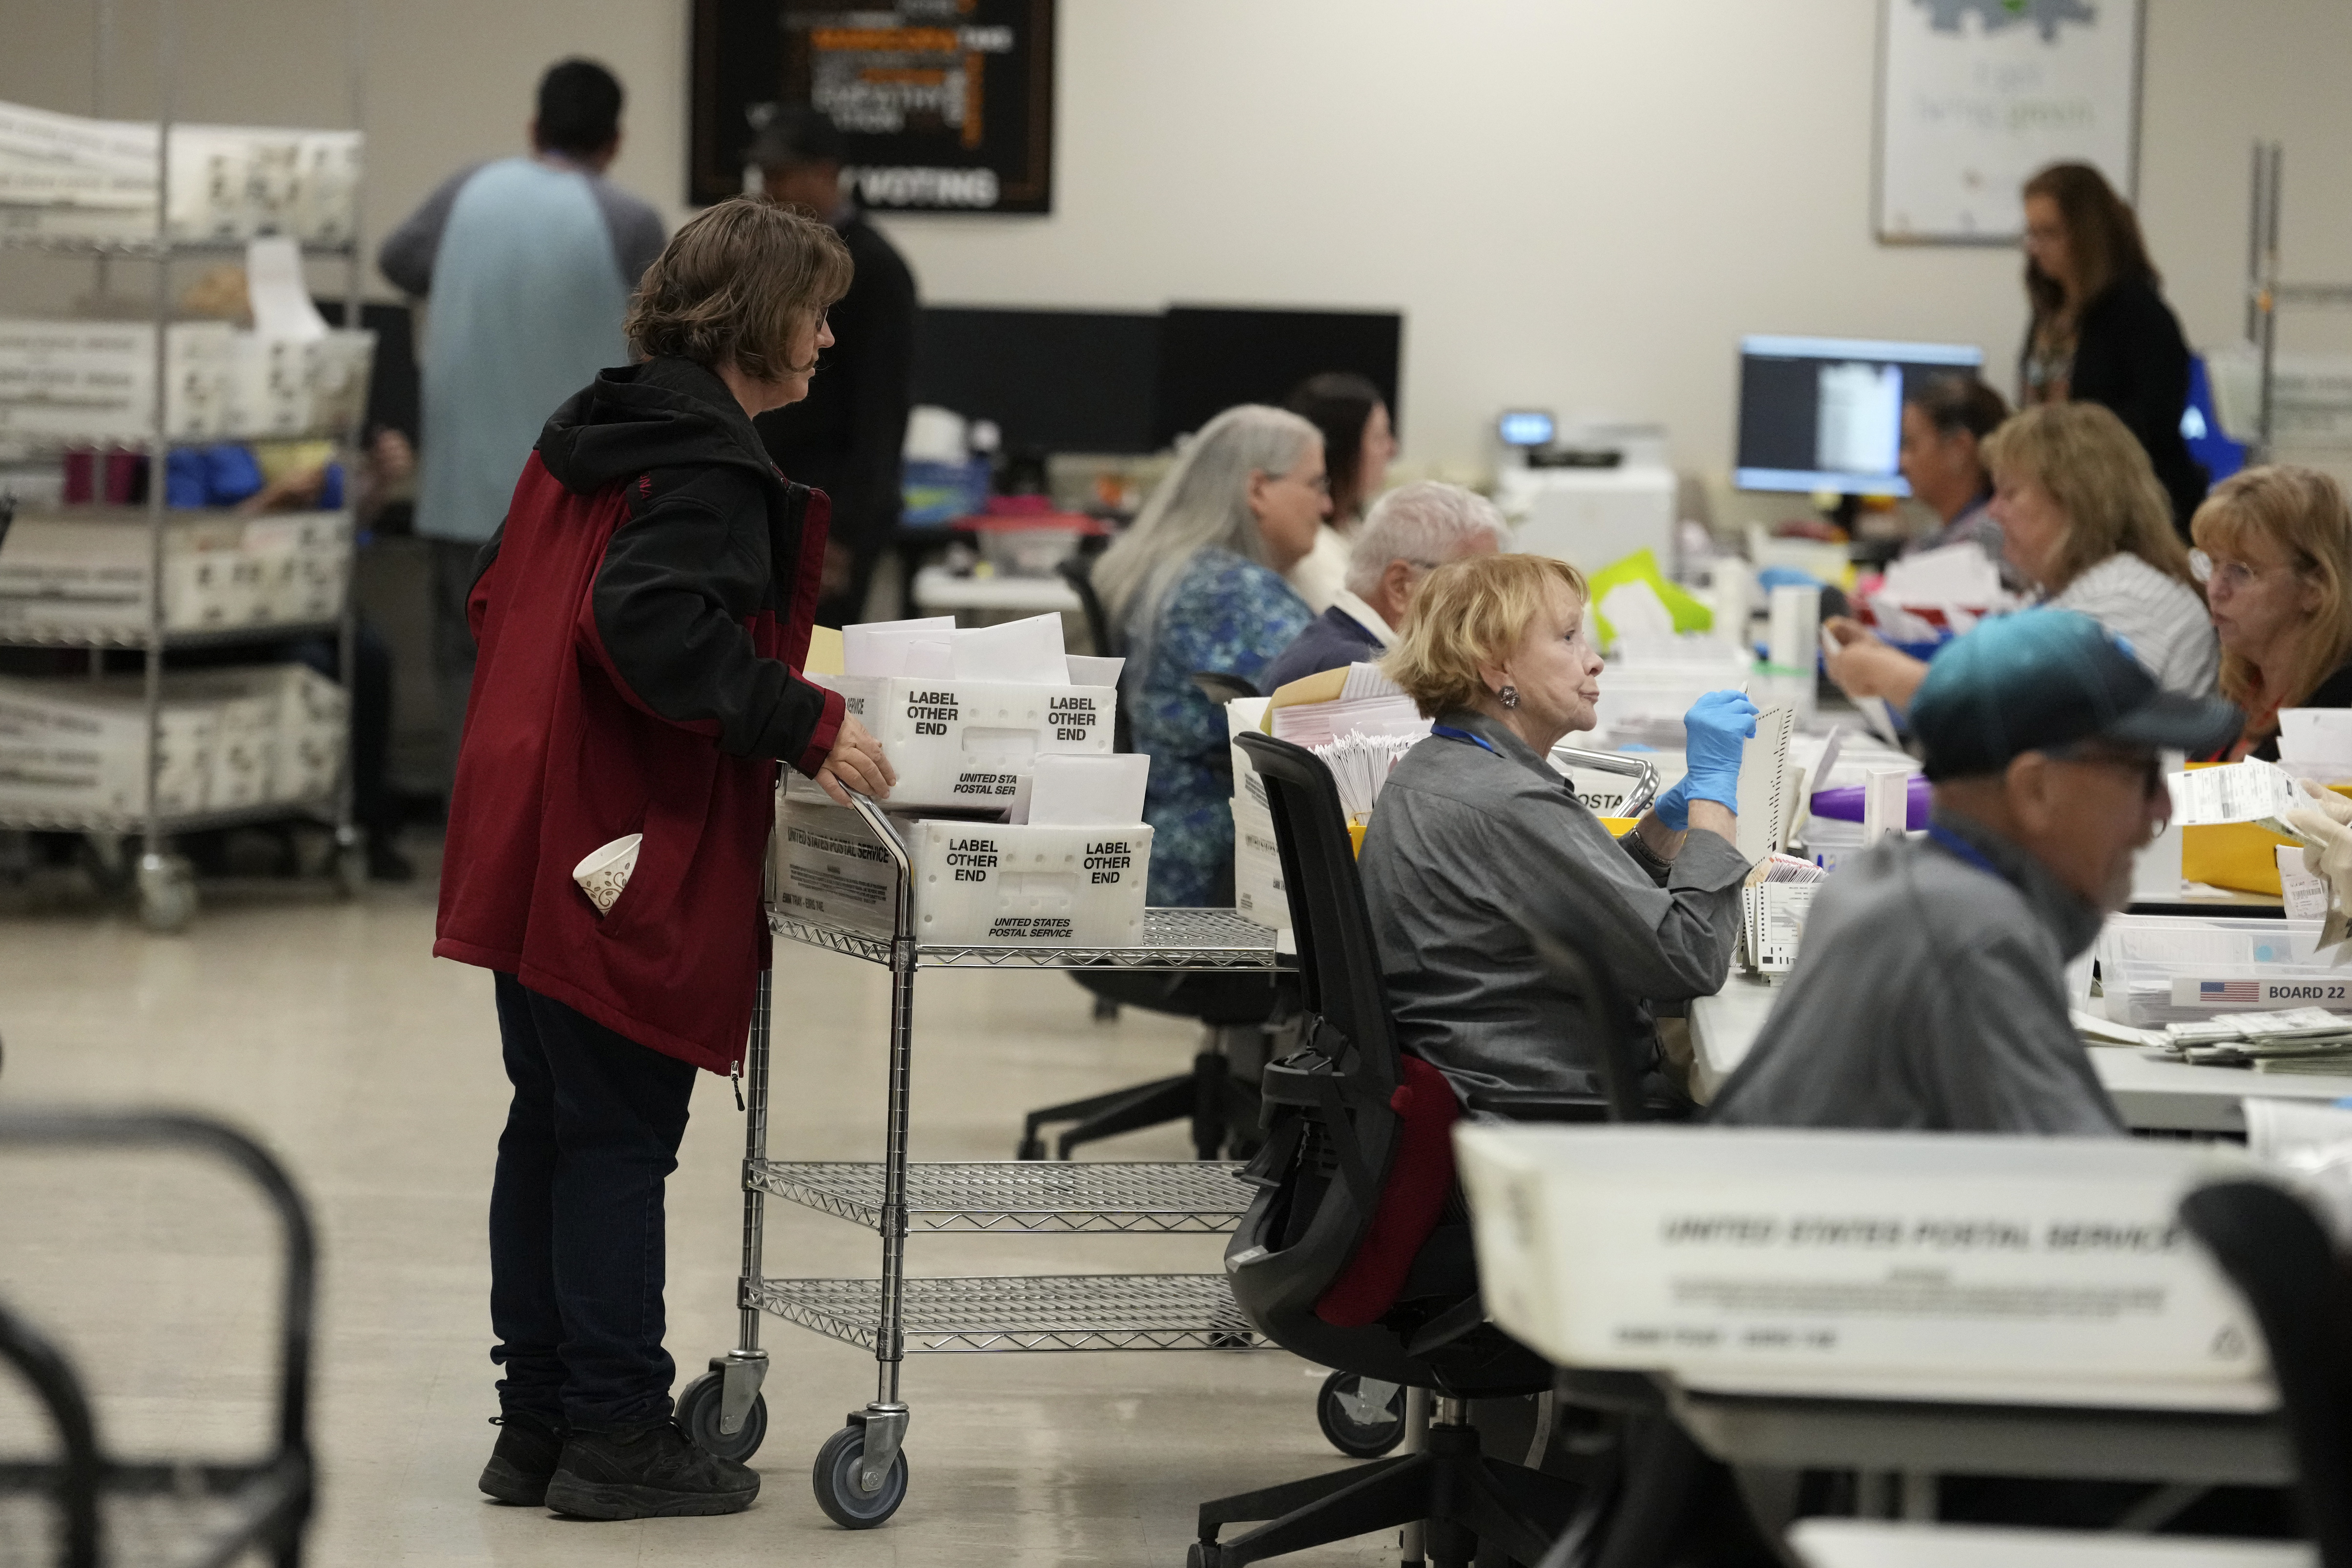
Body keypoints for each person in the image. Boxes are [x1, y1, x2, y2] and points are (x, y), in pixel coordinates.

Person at [435, 199, 896, 1520]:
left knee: (558, 1126)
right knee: (620, 1137)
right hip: (616, 842)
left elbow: (498, 599)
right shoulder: (705, 463)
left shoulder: (587, 435)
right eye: (813, 309)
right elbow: (650, 626)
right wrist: (801, 719)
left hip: (527, 826)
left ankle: (538, 1423)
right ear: (753, 319)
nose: (825, 335)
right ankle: (619, 1436)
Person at [1714, 610, 2239, 1133]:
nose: (2164, 808)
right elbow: (2084, 1187)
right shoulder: (1974, 938)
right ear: (2035, 789)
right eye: (2143, 774)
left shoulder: (1890, 882)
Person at [1361, 553, 1757, 1105]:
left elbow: (1577, 898)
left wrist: (1666, 823)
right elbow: (1692, 957)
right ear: (1496, 666)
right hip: (1558, 1113)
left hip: (1507, 1087)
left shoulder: (1451, 764)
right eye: (1568, 637)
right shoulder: (1505, 799)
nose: (1593, 661)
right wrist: (1715, 794)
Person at [380, 58, 666, 800]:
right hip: (575, 499)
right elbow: (661, 343)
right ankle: (545, 845)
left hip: (458, 490)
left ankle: (465, 844)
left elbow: (398, 262)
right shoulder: (628, 221)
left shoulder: (464, 193)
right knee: (566, 672)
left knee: (462, 665)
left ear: (534, 128)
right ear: (615, 142)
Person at [1825, 402, 2218, 707]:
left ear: (2074, 502)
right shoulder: (2060, 592)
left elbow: (2034, 720)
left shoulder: (2131, 596)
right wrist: (1883, 656)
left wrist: (1889, 674)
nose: (1993, 512)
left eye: (2010, 493)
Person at [1093, 405, 1323, 905]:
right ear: (1259, 489)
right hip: (1216, 868)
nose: (1325, 506)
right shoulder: (1227, 594)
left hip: (1167, 845)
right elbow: (1330, 709)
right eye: (1316, 485)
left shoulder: (1181, 571)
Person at [752, 108, 919, 627]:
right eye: (763, 177)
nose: (767, 191)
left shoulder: (874, 268)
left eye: (780, 177)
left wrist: (842, 534)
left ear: (826, 173)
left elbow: (881, 413)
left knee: (816, 672)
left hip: (829, 511)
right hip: (772, 501)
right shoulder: (774, 258)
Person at [2019, 162, 2208, 534]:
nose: (2036, 248)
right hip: (2064, 497)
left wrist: (2075, 437)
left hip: (2130, 507)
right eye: (2031, 234)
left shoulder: (2138, 312)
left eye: (2049, 233)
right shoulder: (2050, 312)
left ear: (2086, 234)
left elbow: (2156, 416)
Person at [1259, 480, 1507, 691]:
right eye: (1477, 585)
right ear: (1401, 586)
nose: (1494, 607)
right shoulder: (1361, 676)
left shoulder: (1334, 651)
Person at [2190, 465, 2352, 759]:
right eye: (2212, 564)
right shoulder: (2231, 687)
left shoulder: (2342, 707)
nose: (2215, 589)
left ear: (2315, 589)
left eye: (2241, 571)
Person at [1282, 372, 1397, 613]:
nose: (1391, 449)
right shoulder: (1313, 554)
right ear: (1343, 452)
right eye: (1378, 438)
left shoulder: (1352, 527)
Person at [1897, 371, 2022, 591]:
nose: (1902, 462)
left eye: (1912, 445)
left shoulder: (1988, 546)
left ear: (1959, 449)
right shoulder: (1934, 537)